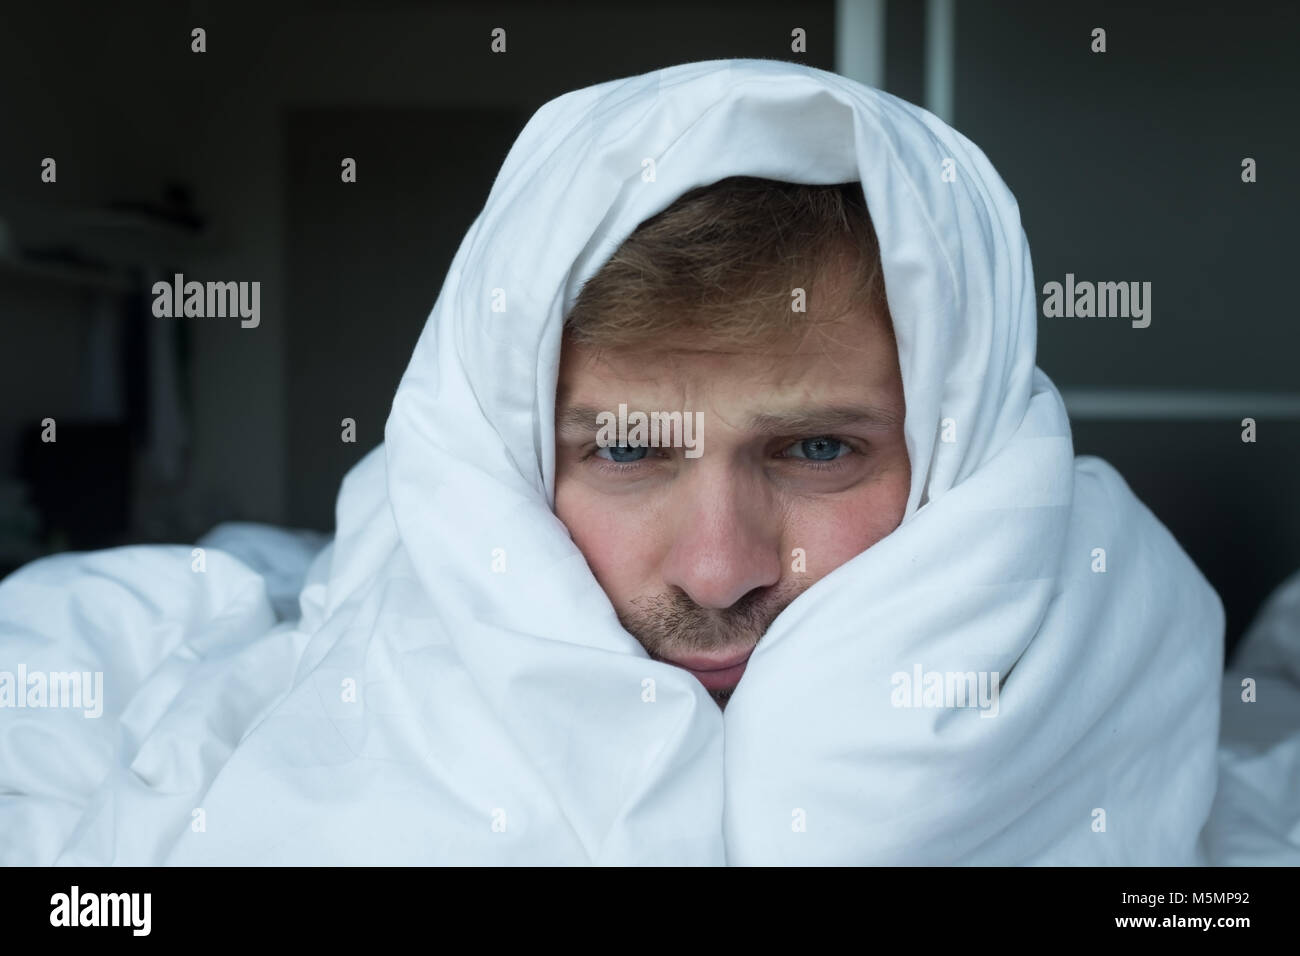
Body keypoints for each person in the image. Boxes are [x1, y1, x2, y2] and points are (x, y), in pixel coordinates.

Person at [3, 58, 1265, 865]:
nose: (718, 572)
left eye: (818, 447)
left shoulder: (1103, 610)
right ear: (498, 458)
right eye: (621, 451)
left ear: (956, 449)